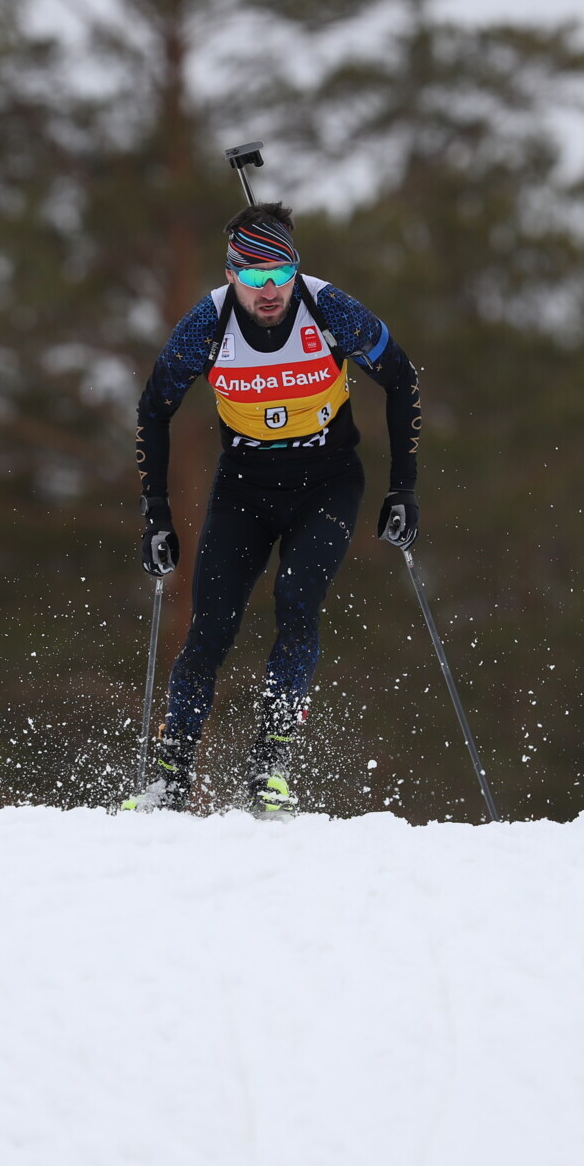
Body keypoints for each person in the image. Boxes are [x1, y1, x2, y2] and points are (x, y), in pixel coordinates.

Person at [124, 202, 422, 814]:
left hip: (328, 483)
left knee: (296, 602)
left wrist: (403, 490)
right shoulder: (207, 325)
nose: (270, 290)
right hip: (245, 489)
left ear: (295, 269)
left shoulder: (327, 308)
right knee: (209, 629)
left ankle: (270, 770)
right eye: (254, 277)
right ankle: (169, 779)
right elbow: (154, 408)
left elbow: (402, 377)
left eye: (280, 273)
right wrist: (156, 514)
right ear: (231, 274)